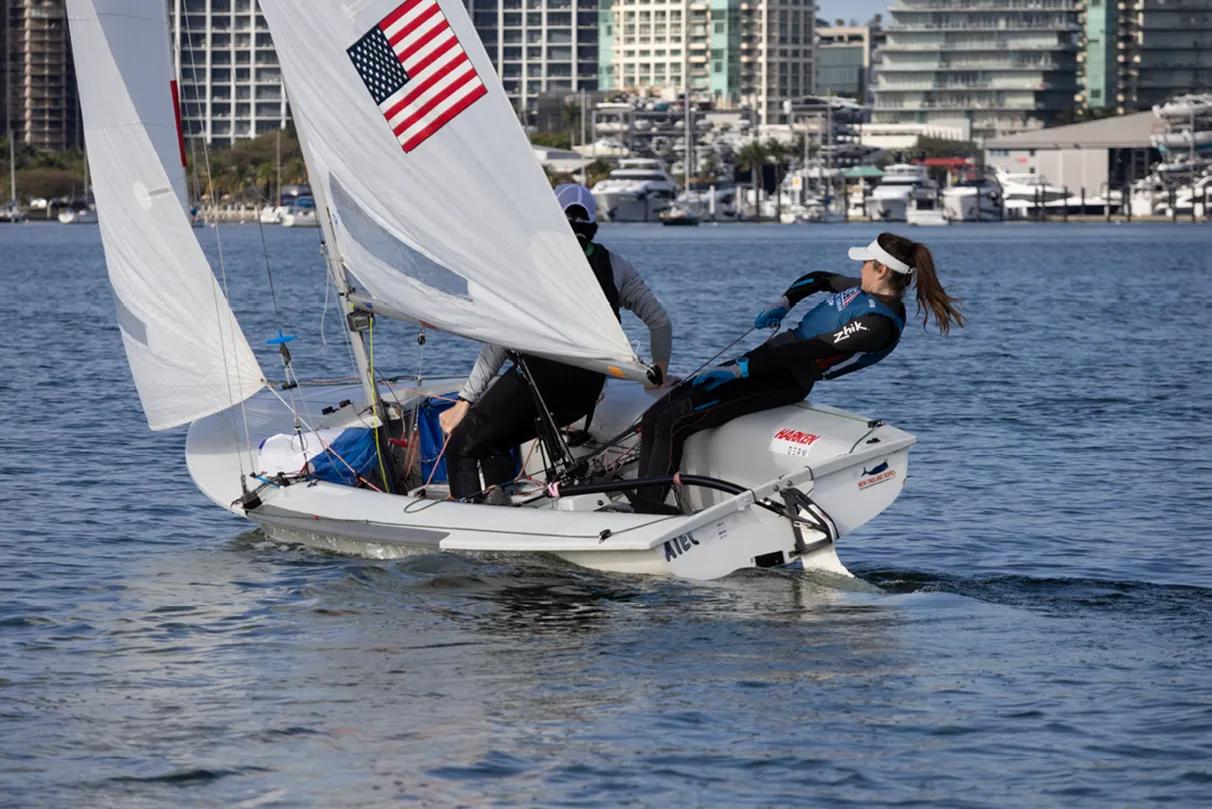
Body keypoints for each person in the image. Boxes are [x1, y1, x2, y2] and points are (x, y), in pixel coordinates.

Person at [630, 232, 965, 514]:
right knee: (658, 413)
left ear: (880, 270)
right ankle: (644, 502)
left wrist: (740, 369)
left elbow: (808, 350)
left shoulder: (877, 324)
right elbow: (818, 279)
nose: (859, 267)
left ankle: (648, 512)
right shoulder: (864, 289)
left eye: (865, 263)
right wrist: (785, 301)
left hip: (785, 378)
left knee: (674, 420)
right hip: (767, 361)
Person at [439, 184, 672, 504]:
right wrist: (659, 373)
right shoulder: (617, 266)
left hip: (539, 383)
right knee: (493, 441)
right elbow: (660, 321)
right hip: (584, 392)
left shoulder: (532, 265)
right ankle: (493, 493)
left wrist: (464, 400)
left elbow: (501, 341)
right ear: (591, 225)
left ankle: (468, 520)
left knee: (461, 444)